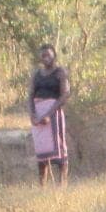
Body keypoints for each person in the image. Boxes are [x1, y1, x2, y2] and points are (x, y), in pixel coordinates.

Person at [30, 44, 71, 186]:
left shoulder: (60, 72)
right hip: (38, 116)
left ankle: (62, 186)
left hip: (54, 114)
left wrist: (49, 113)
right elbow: (30, 96)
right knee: (41, 154)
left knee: (60, 152)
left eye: (48, 54)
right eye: (43, 55)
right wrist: (32, 115)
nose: (46, 58)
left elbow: (65, 94)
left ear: (54, 55)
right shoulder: (37, 75)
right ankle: (42, 187)